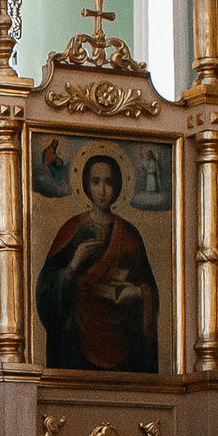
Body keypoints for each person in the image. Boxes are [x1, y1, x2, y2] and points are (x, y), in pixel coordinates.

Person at [36, 150, 159, 372]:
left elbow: (149, 287)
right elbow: (46, 288)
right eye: (96, 181)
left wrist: (140, 293)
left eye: (108, 182)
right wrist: (74, 263)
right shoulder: (71, 230)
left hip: (124, 345)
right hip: (77, 340)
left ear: (119, 185)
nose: (102, 190)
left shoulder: (130, 234)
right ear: (85, 184)